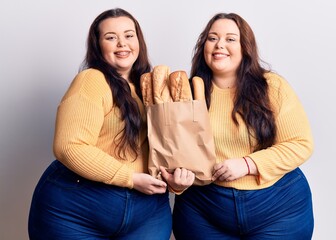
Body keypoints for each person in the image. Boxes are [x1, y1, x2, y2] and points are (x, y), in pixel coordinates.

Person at [28, 8, 194, 240]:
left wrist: (176, 182)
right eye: (110, 37)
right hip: (77, 210)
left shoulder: (151, 87)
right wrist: (131, 178)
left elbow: (166, 149)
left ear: (139, 41)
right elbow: (69, 146)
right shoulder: (91, 81)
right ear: (97, 45)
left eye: (128, 35)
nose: (121, 44)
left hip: (147, 213)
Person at [172, 12, 314, 240]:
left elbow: (301, 144)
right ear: (203, 46)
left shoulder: (272, 87)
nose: (220, 45)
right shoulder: (184, 93)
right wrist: (176, 183)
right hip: (204, 211)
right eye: (212, 38)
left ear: (245, 47)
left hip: (278, 209)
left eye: (230, 39)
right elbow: (174, 153)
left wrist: (248, 164)